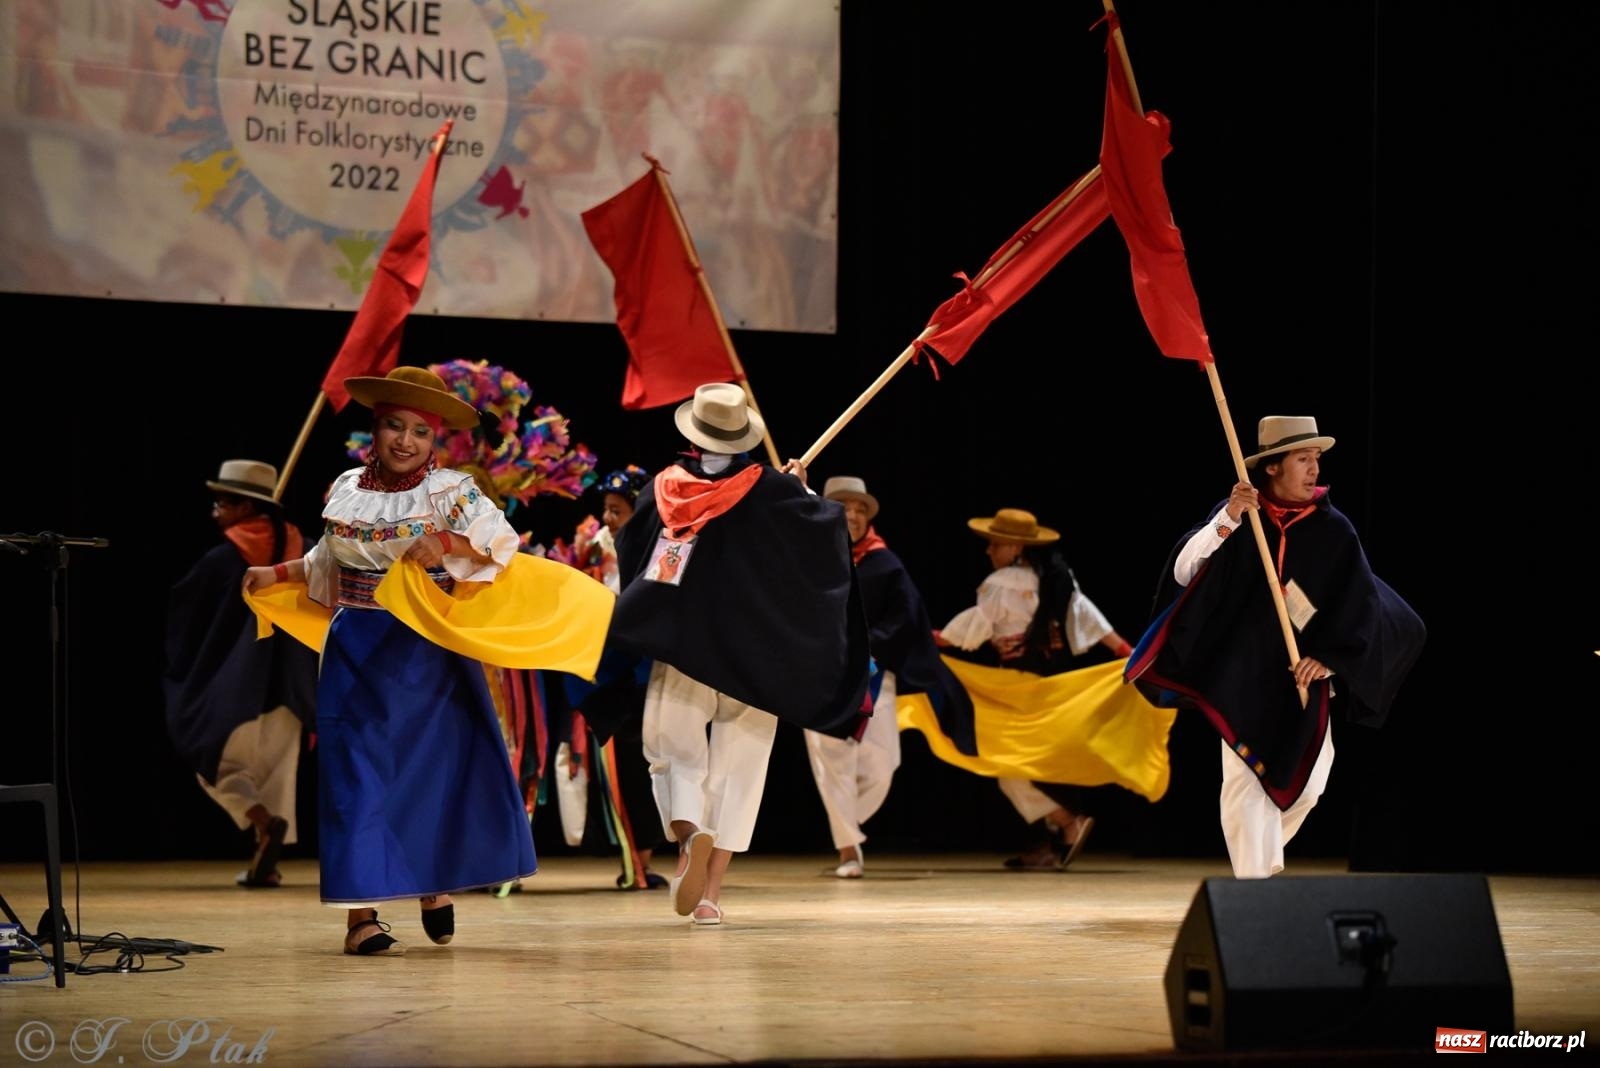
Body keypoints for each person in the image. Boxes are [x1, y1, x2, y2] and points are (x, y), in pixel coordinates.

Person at [242, 365, 574, 956]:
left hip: (428, 649)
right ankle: (360, 919)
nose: (405, 441)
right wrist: (276, 573)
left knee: (432, 773)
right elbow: (328, 563)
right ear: (376, 428)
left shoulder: (451, 491)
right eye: (394, 426)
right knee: (354, 780)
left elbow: (502, 546)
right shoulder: (347, 488)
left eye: (420, 431)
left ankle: (433, 884)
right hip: (356, 651)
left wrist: (446, 542)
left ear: (435, 439)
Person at [596, 383, 871, 926]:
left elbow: (633, 556)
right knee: (740, 770)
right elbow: (828, 537)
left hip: (685, 650)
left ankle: (687, 835)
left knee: (671, 751)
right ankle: (710, 897)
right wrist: (802, 495)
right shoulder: (774, 491)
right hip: (757, 658)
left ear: (693, 435)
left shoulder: (661, 491)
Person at [1125, 416, 1425, 879]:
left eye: (1316, 460)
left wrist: (1331, 659)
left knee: (1309, 785)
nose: (1314, 470)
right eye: (1303, 459)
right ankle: (1255, 888)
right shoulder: (1243, 517)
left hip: (1302, 676)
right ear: (1271, 467)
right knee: (1246, 780)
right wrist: (1228, 519)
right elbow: (1184, 572)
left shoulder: (1333, 530)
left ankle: (1258, 863)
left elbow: (1361, 607)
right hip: (1241, 675)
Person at [938, 508, 1137, 870]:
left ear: (1015, 547)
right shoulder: (1057, 577)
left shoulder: (1003, 584)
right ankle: (1051, 843)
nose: (988, 552)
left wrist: (929, 640)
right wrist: (1129, 652)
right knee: (1040, 761)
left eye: (994, 545)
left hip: (1016, 683)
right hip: (1051, 684)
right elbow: (1088, 617)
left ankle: (1068, 821)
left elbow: (974, 628)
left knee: (1007, 763)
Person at [804, 476, 976, 878]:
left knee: (884, 764)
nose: (854, 515)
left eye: (860, 509)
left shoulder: (884, 562)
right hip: (822, 674)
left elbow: (905, 617)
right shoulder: (810, 557)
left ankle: (845, 825)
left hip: (873, 672)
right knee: (831, 764)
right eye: (845, 507)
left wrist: (869, 645)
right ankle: (848, 849)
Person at [163, 460, 319, 888]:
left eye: (222, 503)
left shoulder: (224, 559)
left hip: (238, 689)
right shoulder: (305, 550)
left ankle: (263, 825)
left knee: (219, 768)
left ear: (245, 506)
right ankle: (264, 856)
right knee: (276, 774)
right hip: (295, 687)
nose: (216, 513)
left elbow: (187, 616)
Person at [542, 465, 671, 891]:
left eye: (617, 510)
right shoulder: (594, 556)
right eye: (606, 511)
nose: (609, 519)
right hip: (601, 674)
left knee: (640, 769)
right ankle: (632, 859)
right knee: (615, 771)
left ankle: (643, 858)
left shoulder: (658, 555)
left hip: (640, 675)